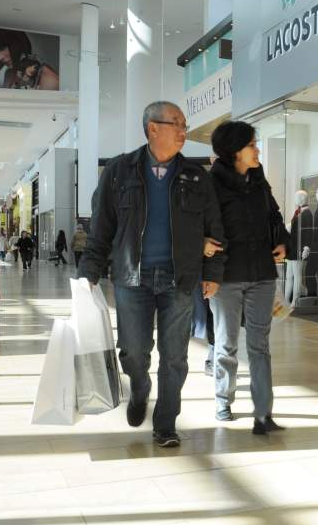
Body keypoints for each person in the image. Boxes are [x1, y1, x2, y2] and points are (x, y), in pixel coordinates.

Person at [79, 101, 225, 448]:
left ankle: (166, 423)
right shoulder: (119, 171)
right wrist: (88, 275)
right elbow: (101, 229)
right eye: (176, 123)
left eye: (184, 124)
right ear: (152, 128)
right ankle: (139, 390)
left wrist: (213, 272)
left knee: (175, 356)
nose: (183, 131)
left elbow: (214, 227)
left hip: (180, 279)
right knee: (133, 351)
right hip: (133, 278)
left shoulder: (196, 176)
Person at [207, 120, 288, 434]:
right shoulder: (212, 182)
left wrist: (282, 241)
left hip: (262, 273)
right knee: (226, 343)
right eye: (252, 144)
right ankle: (222, 401)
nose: (257, 149)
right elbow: (204, 225)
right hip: (226, 276)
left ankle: (263, 413)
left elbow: (274, 215)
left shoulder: (258, 176)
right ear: (234, 151)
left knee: (260, 345)